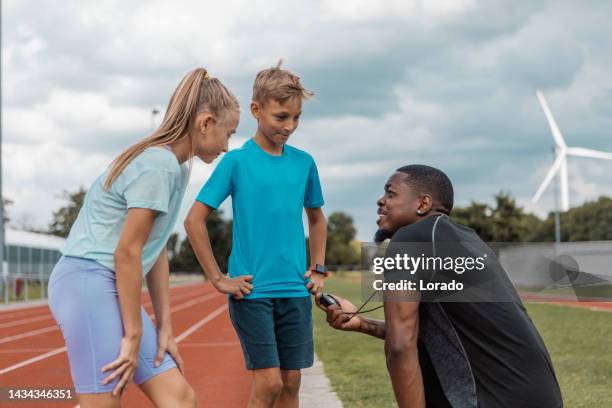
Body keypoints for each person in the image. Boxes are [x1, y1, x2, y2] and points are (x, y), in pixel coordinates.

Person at [48, 68, 244, 408]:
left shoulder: (178, 168)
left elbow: (156, 249)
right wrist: (134, 333)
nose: (228, 145)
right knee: (105, 402)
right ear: (206, 122)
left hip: (107, 281)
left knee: (179, 400)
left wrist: (165, 326)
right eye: (229, 133)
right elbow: (127, 253)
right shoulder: (158, 165)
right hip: (87, 282)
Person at [316, 165, 563, 408]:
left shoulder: (412, 238)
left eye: (391, 193)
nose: (381, 201)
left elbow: (401, 345)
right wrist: (361, 323)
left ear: (423, 204)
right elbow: (433, 335)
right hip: (536, 394)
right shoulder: (464, 239)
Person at [185, 61, 328, 408]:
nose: (289, 126)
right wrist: (218, 278)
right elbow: (194, 220)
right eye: (281, 117)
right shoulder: (236, 162)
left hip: (295, 288)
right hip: (253, 292)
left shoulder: (304, 162)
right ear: (256, 110)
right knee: (268, 383)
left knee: (292, 382)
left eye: (296, 118)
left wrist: (319, 268)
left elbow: (317, 219)